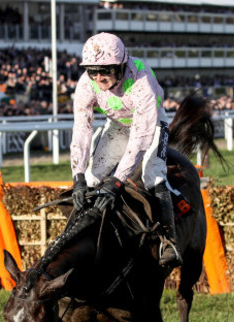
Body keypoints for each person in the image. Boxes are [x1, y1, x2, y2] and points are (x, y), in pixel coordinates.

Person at [69, 32, 182, 268]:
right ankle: (73, 239)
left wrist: (118, 180)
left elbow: (141, 137)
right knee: (91, 177)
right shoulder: (85, 84)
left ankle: (169, 242)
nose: (99, 77)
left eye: (107, 70)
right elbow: (82, 129)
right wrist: (77, 175)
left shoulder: (141, 80)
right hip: (119, 125)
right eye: (92, 71)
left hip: (150, 124)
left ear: (122, 65)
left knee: (153, 176)